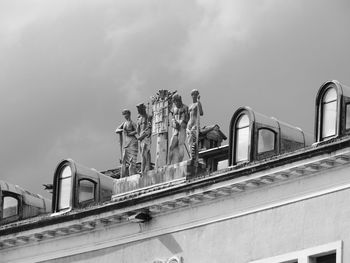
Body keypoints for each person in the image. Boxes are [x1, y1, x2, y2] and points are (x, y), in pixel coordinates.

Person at [115, 109, 138, 177]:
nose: (125, 116)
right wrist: (123, 130)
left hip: (132, 141)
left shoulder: (132, 123)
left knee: (132, 160)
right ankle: (123, 175)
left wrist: (130, 133)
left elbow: (137, 130)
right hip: (126, 142)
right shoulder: (124, 123)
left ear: (129, 114)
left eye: (126, 114)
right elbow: (116, 130)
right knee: (123, 159)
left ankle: (132, 174)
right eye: (124, 114)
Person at [169, 94, 189, 164]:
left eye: (176, 101)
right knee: (171, 146)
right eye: (174, 102)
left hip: (182, 128)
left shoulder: (185, 107)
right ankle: (169, 163)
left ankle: (179, 162)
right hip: (175, 130)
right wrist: (174, 123)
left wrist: (181, 123)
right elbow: (173, 119)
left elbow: (187, 119)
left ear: (179, 101)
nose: (176, 103)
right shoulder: (174, 109)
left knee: (180, 145)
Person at [187, 89, 203, 160]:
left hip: (195, 125)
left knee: (194, 141)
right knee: (189, 142)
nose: (195, 96)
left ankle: (194, 156)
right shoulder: (190, 106)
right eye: (193, 94)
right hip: (189, 125)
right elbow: (187, 116)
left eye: (196, 94)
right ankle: (191, 156)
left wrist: (199, 101)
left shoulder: (198, 104)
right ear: (191, 95)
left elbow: (201, 113)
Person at [136, 103, 152, 174]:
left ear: (143, 109)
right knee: (143, 154)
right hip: (141, 139)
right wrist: (139, 137)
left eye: (139, 109)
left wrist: (143, 135)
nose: (138, 110)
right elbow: (137, 130)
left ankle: (143, 170)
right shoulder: (139, 119)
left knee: (144, 153)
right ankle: (146, 168)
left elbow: (149, 128)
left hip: (146, 138)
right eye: (138, 109)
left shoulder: (148, 117)